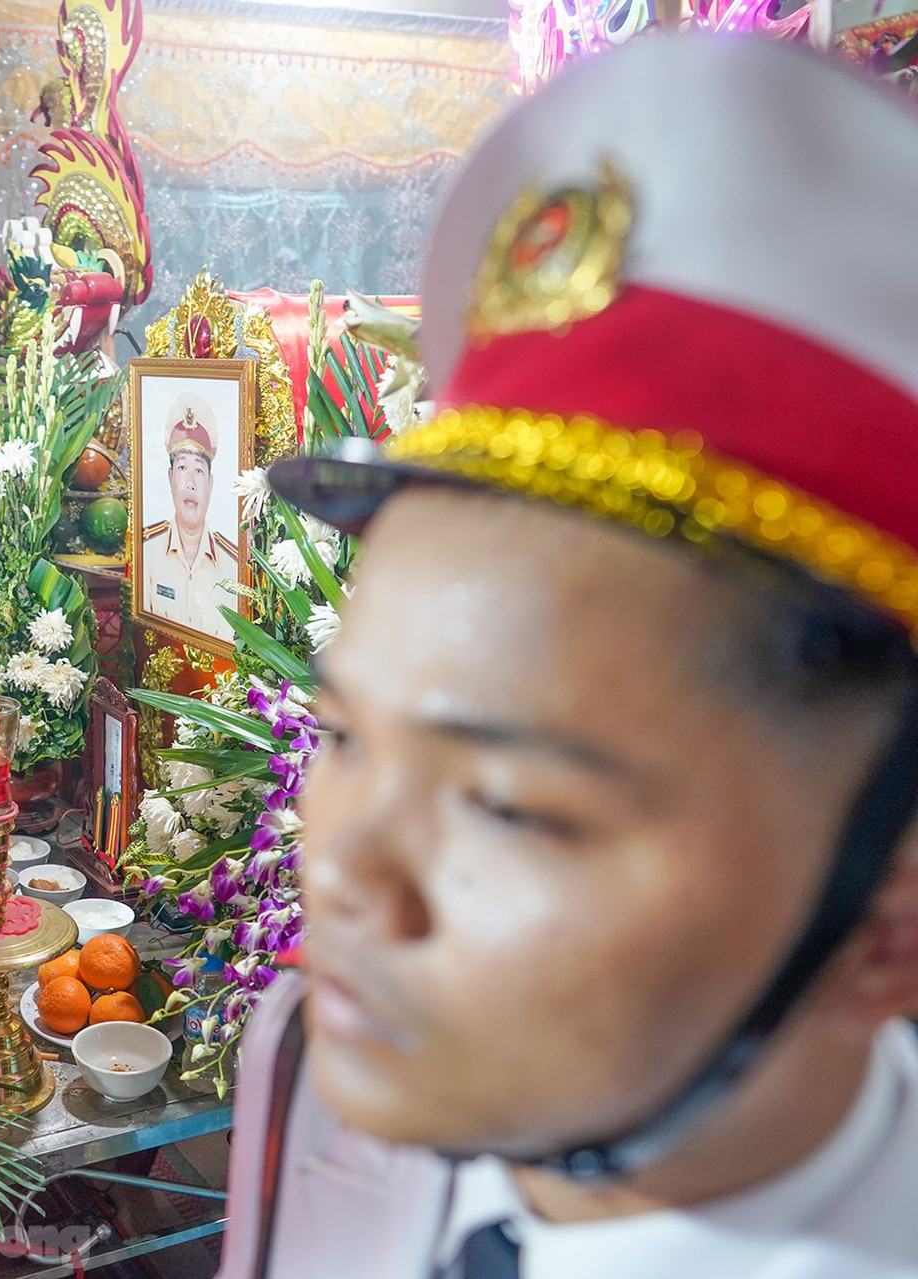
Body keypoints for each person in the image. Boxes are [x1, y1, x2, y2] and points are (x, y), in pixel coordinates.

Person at [240, 35, 918, 1279]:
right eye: (341, 736)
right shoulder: (400, 1104)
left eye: (506, 806)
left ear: (892, 922)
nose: (340, 870)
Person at [138, 396, 238, 640]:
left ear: (211, 484)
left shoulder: (234, 565)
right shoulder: (147, 553)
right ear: (171, 478)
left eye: (199, 471)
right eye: (182, 468)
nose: (190, 483)